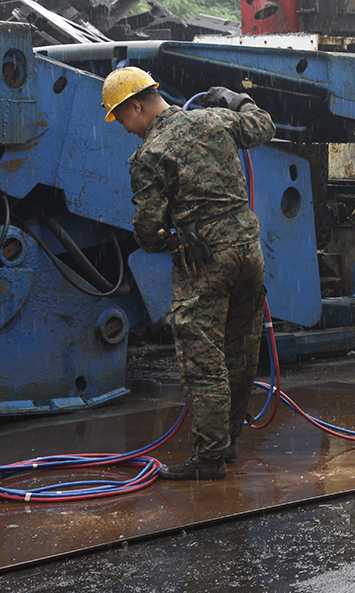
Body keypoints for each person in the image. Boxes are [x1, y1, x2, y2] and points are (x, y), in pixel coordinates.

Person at [101, 67, 276, 480]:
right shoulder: (213, 119)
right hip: (249, 252)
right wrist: (235, 98)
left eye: (121, 118)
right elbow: (263, 126)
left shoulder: (150, 154)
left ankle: (209, 458)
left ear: (136, 106)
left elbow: (147, 231)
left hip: (205, 261)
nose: (125, 129)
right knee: (240, 347)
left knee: (203, 359)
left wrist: (171, 238)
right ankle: (228, 439)